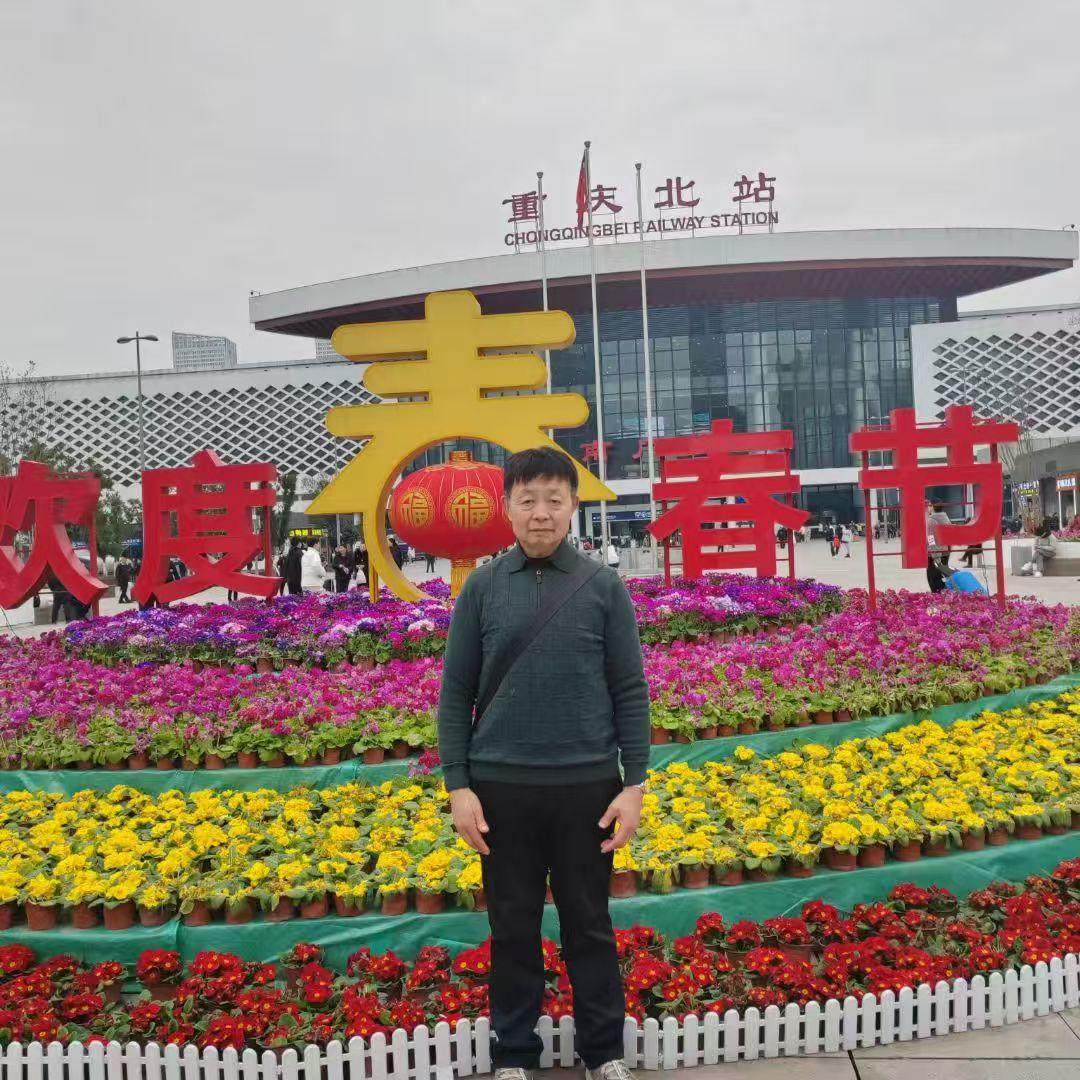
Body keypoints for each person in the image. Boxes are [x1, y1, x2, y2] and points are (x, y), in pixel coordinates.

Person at [438, 447, 649, 1080]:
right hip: (502, 790)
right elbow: (456, 692)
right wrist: (459, 787)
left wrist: (634, 784)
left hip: (587, 787)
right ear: (506, 507)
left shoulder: (602, 585)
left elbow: (630, 689)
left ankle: (603, 1053)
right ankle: (514, 1054)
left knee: (590, 925)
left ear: (572, 506)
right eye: (527, 500)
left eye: (554, 500)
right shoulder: (483, 587)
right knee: (512, 928)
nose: (540, 513)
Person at [926, 501, 952, 592]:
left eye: (929, 506)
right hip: (945, 552)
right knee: (942, 577)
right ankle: (944, 595)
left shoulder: (931, 520)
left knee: (933, 579)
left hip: (935, 554)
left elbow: (931, 539)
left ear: (932, 507)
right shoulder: (946, 519)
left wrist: (936, 557)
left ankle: (938, 597)